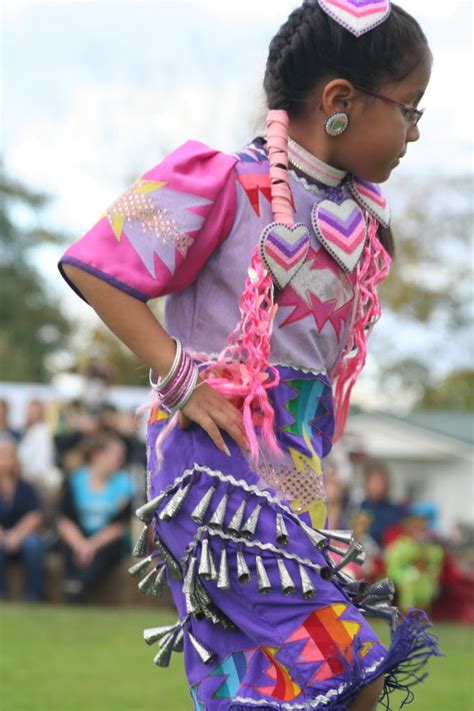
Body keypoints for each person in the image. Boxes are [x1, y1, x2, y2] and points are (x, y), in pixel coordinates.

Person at [57, 1, 440, 708]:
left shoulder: (354, 212)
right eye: (410, 108)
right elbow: (95, 266)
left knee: (260, 687)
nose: (416, 131)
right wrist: (181, 379)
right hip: (215, 469)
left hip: (292, 468)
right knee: (350, 663)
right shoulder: (222, 182)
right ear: (338, 102)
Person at [57, 430, 134, 602]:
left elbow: (119, 525)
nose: (119, 460)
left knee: (108, 551)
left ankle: (79, 585)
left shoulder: (125, 483)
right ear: (97, 455)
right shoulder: (75, 480)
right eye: (115, 454)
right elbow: (65, 519)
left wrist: (90, 546)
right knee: (69, 547)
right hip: (80, 536)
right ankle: (74, 584)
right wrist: (81, 545)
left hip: (108, 540)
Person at [0, 435, 45, 601]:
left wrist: (16, 536)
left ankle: (32, 595)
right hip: (2, 535)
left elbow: (35, 515)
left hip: (23, 535)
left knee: (33, 544)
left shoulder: (26, 487)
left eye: (8, 456)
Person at [360, 460, 407, 548]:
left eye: (381, 482)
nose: (378, 486)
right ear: (365, 485)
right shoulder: (358, 509)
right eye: (374, 482)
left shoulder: (397, 511)